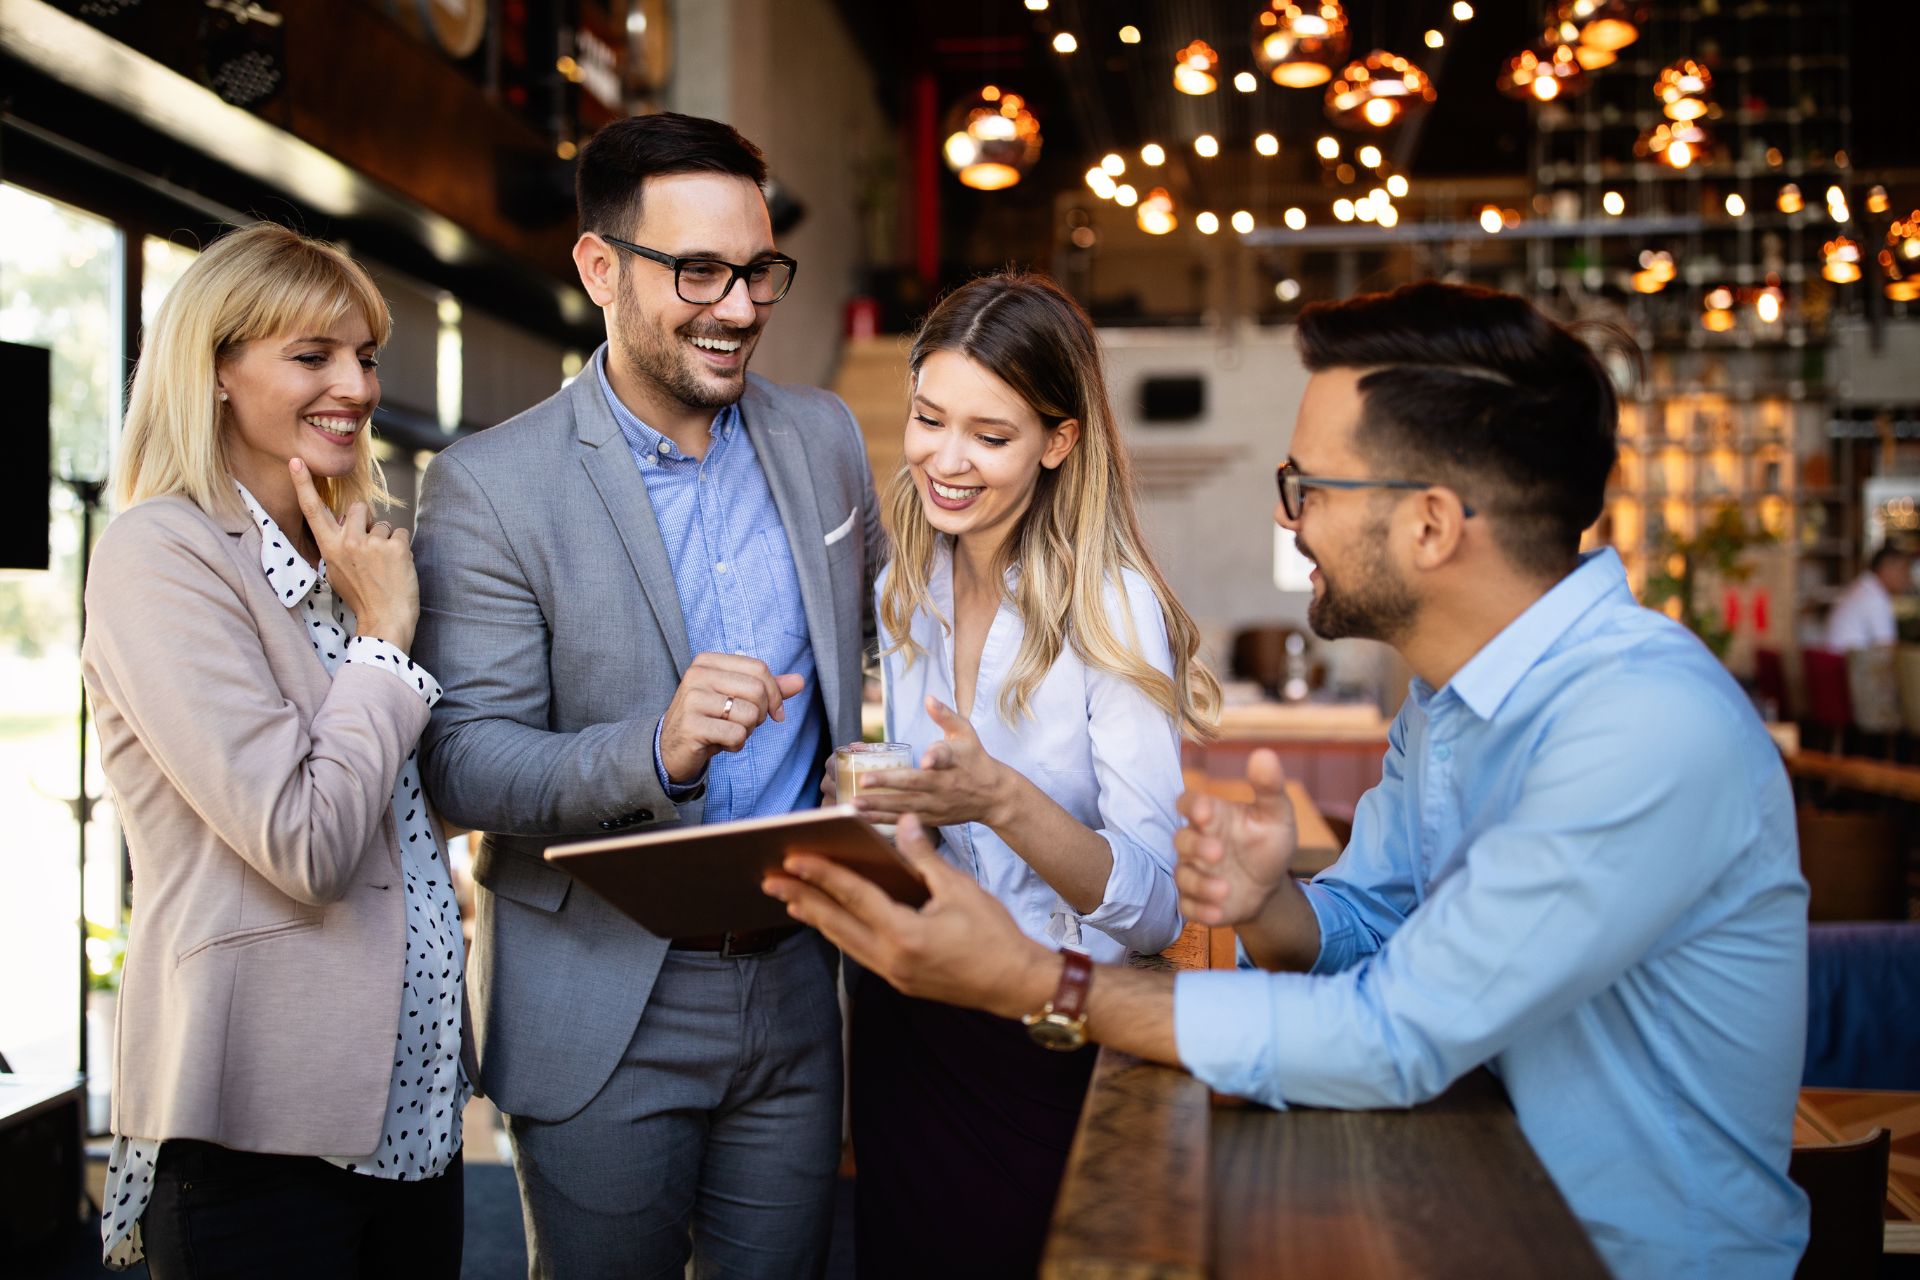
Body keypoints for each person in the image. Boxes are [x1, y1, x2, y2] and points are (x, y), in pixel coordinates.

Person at [766, 281, 1812, 1280]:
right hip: (1474, 1208)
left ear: (1433, 524)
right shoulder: (1447, 710)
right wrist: (1271, 905)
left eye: (1306, 488)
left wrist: (1041, 980)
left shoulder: (1639, 726)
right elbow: (1369, 927)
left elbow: (1390, 1033)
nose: (1288, 521)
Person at [410, 112, 880, 1278]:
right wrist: (658, 747)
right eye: (700, 271)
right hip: (599, 999)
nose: (739, 306)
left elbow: (877, 645)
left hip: (794, 980)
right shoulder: (487, 486)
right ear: (600, 267)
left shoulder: (824, 436)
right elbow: (462, 764)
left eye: (759, 270)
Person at [83, 222, 467, 1277]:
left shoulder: (351, 552)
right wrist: (386, 640)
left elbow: (401, 819)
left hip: (417, 1114)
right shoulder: (161, 552)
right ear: (215, 370)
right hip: (261, 1131)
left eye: (367, 354)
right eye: (313, 355)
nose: (356, 382)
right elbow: (302, 838)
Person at [831, 272, 1218, 1277]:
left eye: (990, 436)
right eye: (928, 418)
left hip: (1045, 1032)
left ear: (1059, 440)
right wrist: (883, 816)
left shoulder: (1112, 611)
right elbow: (933, 822)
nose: (945, 460)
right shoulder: (901, 591)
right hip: (909, 1013)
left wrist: (1000, 796)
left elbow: (1157, 906)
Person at [1824, 544, 1909, 650]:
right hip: (1845, 664)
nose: (1907, 578)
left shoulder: (1862, 586)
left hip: (1840, 661)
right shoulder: (1874, 597)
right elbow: (1887, 647)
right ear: (1886, 568)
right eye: (1903, 570)